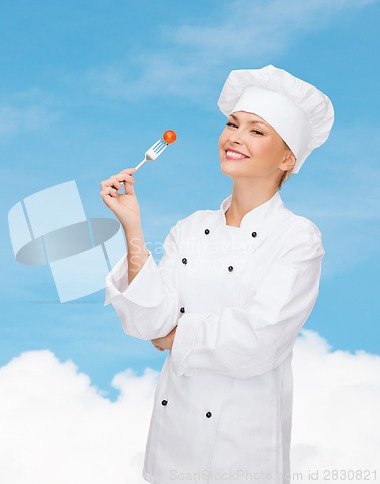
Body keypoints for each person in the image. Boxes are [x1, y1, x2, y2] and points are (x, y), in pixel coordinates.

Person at [99, 65, 334, 484]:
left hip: (244, 454)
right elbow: (147, 321)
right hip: (171, 449)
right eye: (232, 124)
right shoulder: (189, 228)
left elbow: (258, 341)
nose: (235, 137)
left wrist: (176, 337)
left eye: (256, 131)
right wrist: (132, 227)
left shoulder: (296, 238)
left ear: (288, 158)